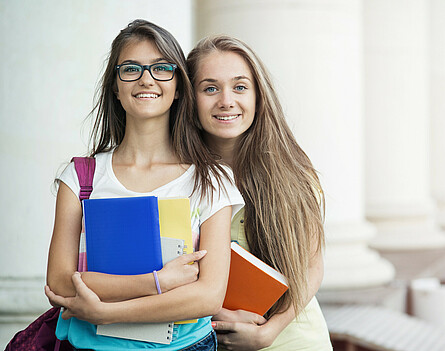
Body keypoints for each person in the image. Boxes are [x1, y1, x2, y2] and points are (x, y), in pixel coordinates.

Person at [45, 20, 244, 351]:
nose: (146, 78)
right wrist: (159, 282)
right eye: (131, 69)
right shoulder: (81, 177)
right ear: (115, 86)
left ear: (179, 85)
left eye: (161, 68)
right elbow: (60, 283)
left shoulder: (212, 179)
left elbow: (207, 296)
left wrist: (103, 309)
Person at [186, 36, 333, 350]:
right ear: (190, 98)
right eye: (210, 88)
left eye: (240, 87)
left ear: (258, 96)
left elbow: (312, 267)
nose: (226, 100)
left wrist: (270, 331)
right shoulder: (178, 179)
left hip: (294, 339)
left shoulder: (292, 171)